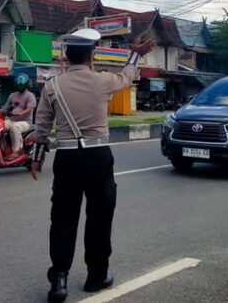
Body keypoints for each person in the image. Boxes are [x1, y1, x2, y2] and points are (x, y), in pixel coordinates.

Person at [30, 28, 155, 302]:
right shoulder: (102, 81)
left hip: (66, 159)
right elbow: (128, 76)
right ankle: (96, 277)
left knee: (62, 218)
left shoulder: (52, 85)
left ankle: (59, 279)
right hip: (98, 158)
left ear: (66, 55)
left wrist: (37, 159)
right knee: (99, 218)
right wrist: (135, 53)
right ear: (92, 55)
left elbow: (42, 127)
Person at [3, 74, 36, 160]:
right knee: (0, 126)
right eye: (19, 84)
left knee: (15, 127)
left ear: (26, 84)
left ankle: (16, 151)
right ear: (15, 84)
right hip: (12, 120)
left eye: (22, 84)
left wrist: (21, 113)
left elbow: (29, 108)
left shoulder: (30, 96)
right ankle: (1, 149)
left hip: (26, 122)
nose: (20, 85)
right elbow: (5, 108)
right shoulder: (12, 95)